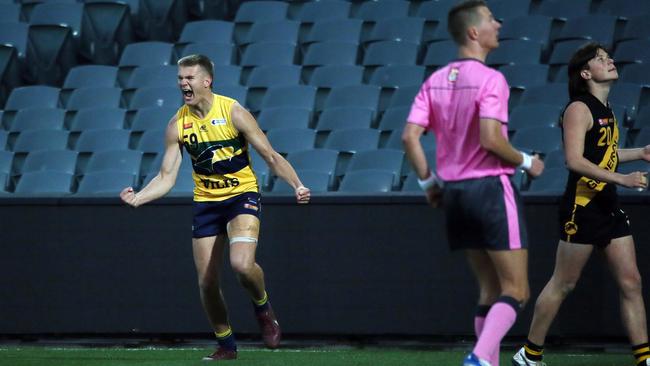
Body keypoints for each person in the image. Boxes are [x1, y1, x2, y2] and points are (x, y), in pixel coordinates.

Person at [120, 54, 311, 361]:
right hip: (207, 203)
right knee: (207, 281)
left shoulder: (233, 111)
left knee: (241, 266)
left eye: (189, 78)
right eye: (180, 78)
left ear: (206, 81)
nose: (183, 83)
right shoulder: (177, 124)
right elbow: (167, 176)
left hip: (241, 196)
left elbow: (270, 155)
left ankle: (262, 307)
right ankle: (226, 344)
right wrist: (139, 197)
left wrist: (297, 184)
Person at [402, 1, 544, 365]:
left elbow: (409, 138)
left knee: (489, 289)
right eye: (491, 19)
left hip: (454, 194)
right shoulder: (491, 79)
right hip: (491, 190)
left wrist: (429, 184)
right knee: (517, 290)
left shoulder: (434, 81)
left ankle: (487, 362)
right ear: (473, 32)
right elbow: (491, 140)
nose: (499, 23)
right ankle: (480, 358)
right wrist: (529, 162)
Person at [512, 43, 650, 366]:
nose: (610, 60)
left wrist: (638, 153)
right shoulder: (578, 109)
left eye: (608, 57)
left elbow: (606, 155)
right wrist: (624, 179)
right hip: (582, 206)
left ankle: (644, 358)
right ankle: (529, 355)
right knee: (564, 283)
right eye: (601, 59)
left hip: (608, 206)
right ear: (586, 73)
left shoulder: (607, 109)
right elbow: (574, 161)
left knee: (632, 282)